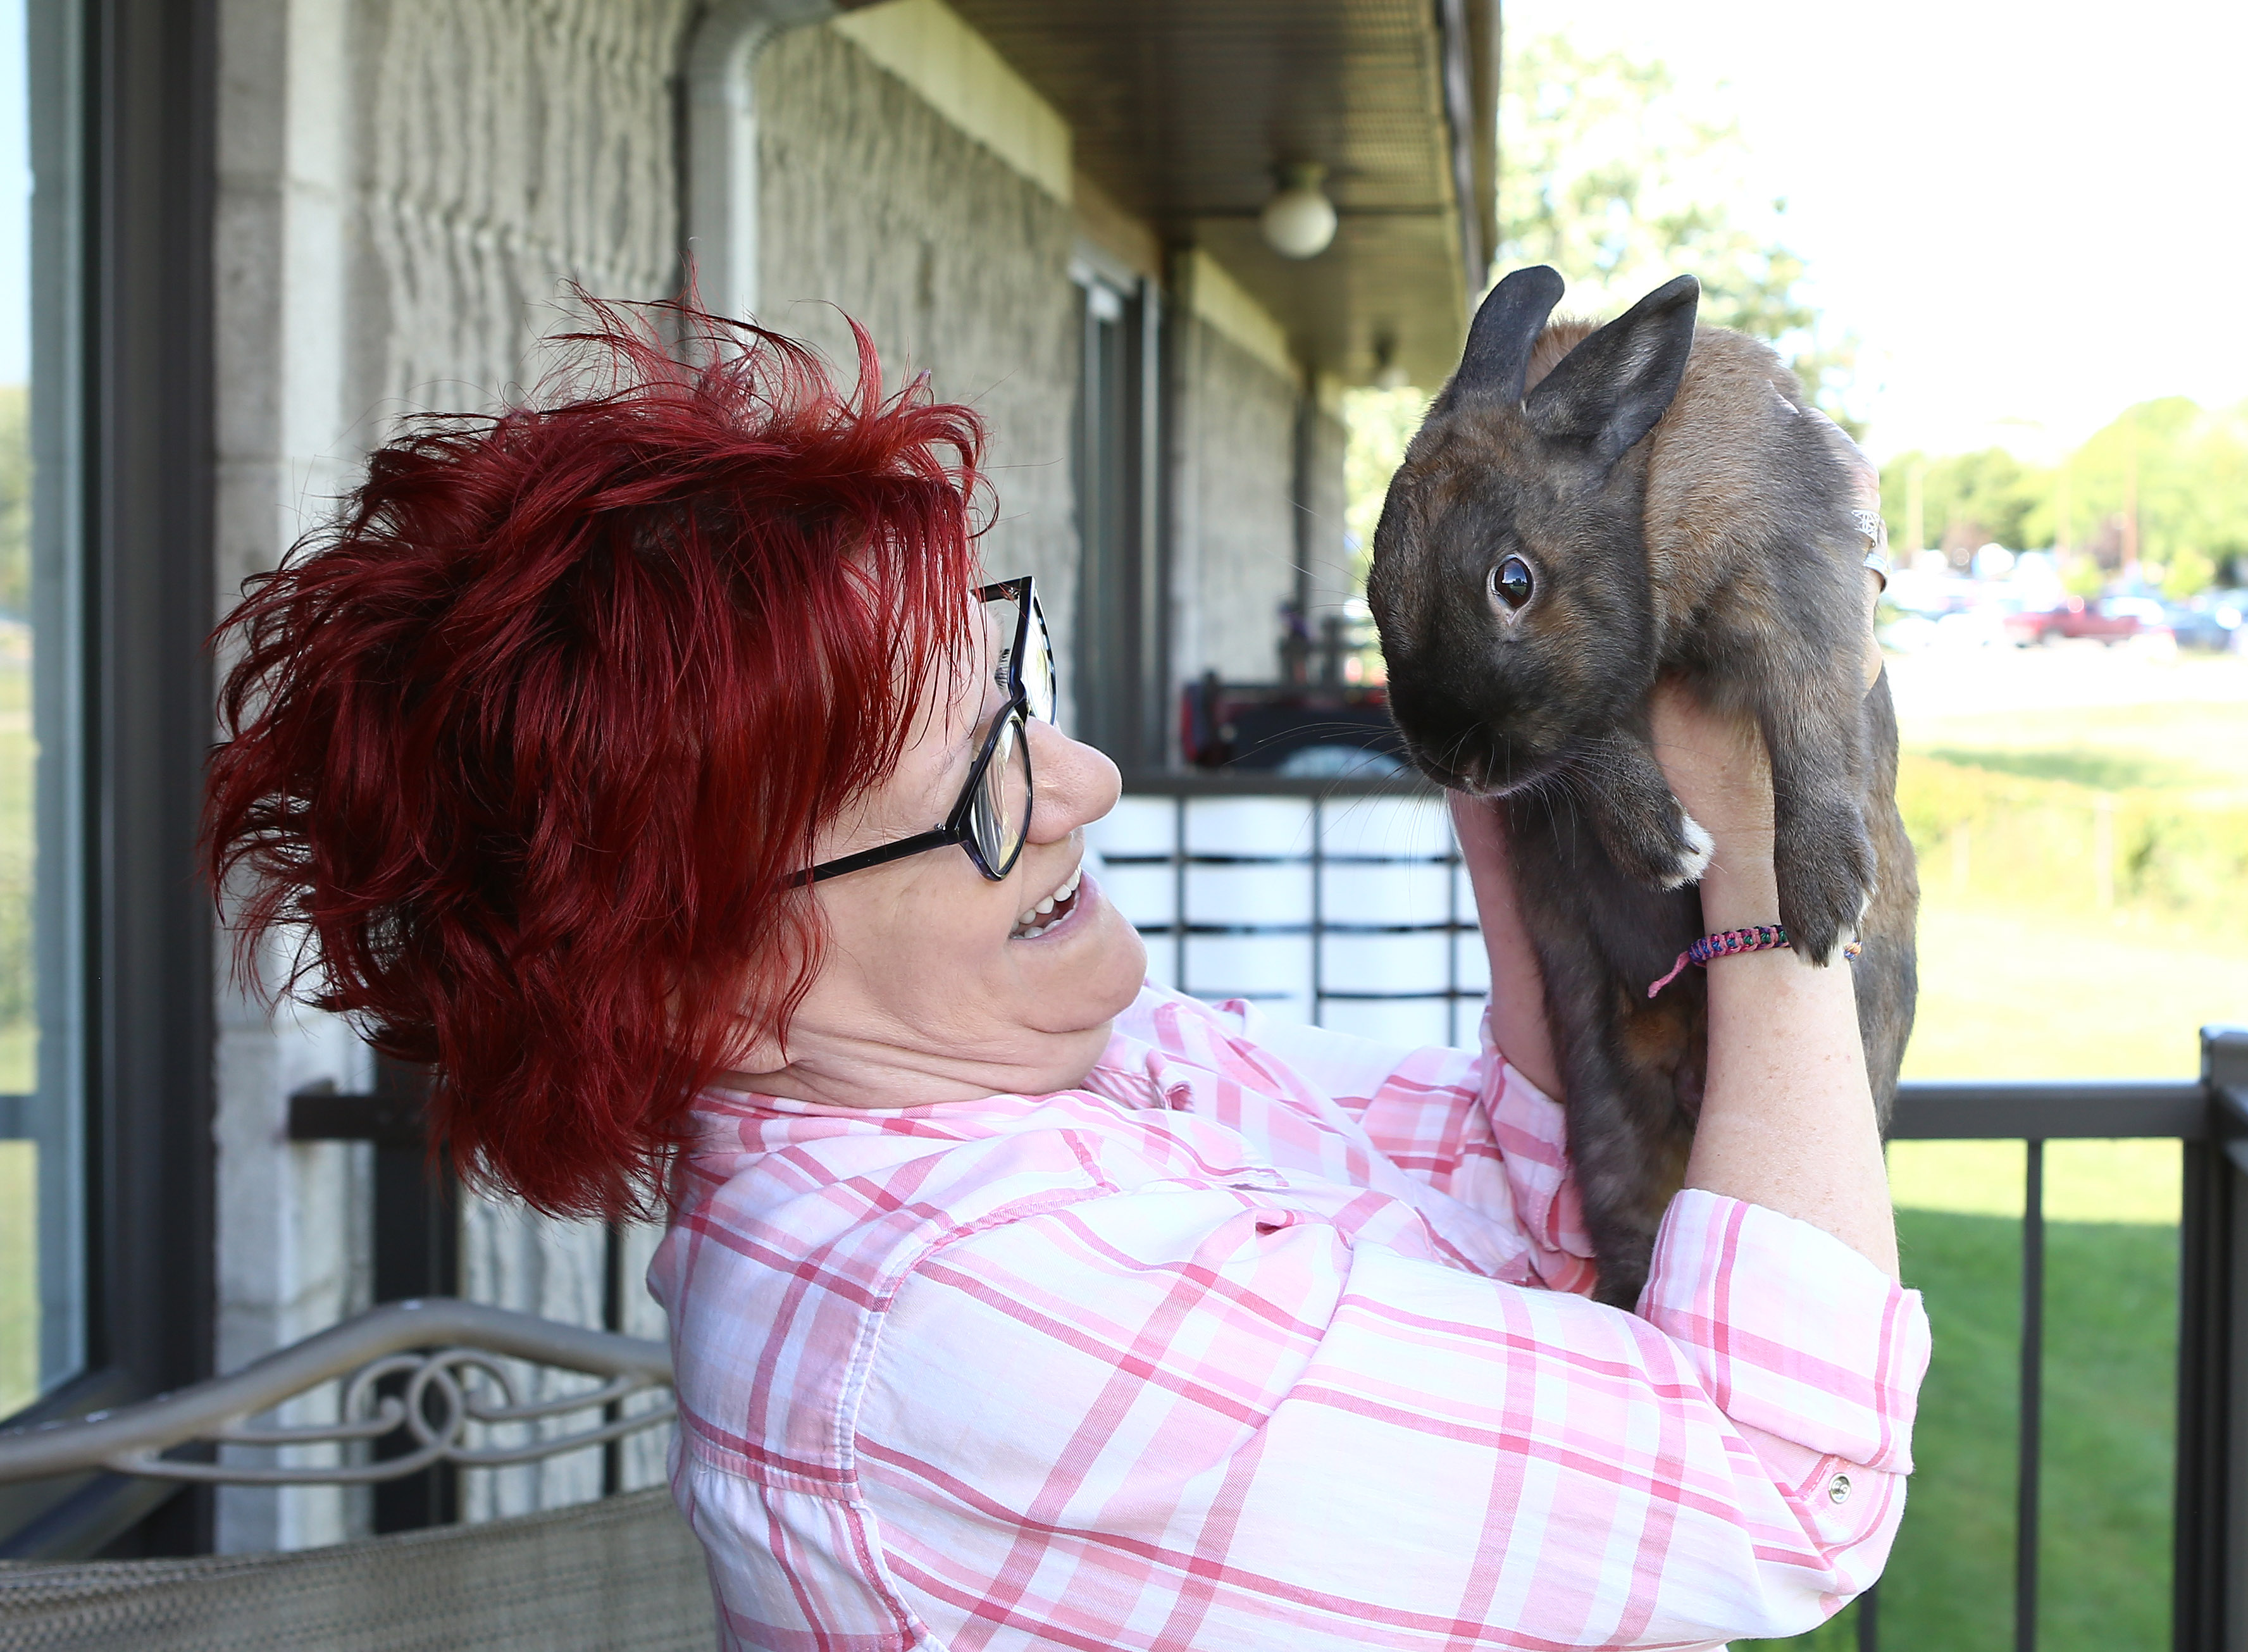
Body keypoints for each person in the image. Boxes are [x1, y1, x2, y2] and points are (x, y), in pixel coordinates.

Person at [206, 303, 1925, 1650]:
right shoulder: (987, 1312)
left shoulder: (1059, 1069)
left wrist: (1498, 761)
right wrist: (1762, 848)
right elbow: (1792, 1479)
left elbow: (1522, 1194)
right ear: (705, 989)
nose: (1084, 783)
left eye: (1012, 689)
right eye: (978, 790)